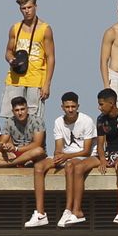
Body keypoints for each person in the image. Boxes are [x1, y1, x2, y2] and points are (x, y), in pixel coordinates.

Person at [26, 92, 96, 228]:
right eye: (67, 107)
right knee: (39, 167)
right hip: (67, 155)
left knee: (70, 165)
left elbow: (86, 151)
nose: (70, 109)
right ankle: (40, 213)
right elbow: (59, 147)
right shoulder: (58, 121)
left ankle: (69, 210)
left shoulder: (86, 120)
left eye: (73, 106)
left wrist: (66, 156)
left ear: (78, 106)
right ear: (62, 107)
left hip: (83, 156)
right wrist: (58, 155)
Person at [68, 88, 118, 225]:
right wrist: (103, 159)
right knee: (79, 167)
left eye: (101, 104)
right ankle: (77, 211)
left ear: (111, 103)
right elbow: (100, 144)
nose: (99, 108)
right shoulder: (101, 119)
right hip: (109, 153)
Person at [2, 0, 54, 132]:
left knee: (35, 118)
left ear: (35, 7)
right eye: (23, 8)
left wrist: (47, 84)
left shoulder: (45, 29)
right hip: (15, 77)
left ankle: (36, 148)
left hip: (36, 78)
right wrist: (11, 59)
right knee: (9, 115)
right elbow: (8, 51)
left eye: (29, 7)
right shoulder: (15, 28)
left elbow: (50, 57)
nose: (27, 11)